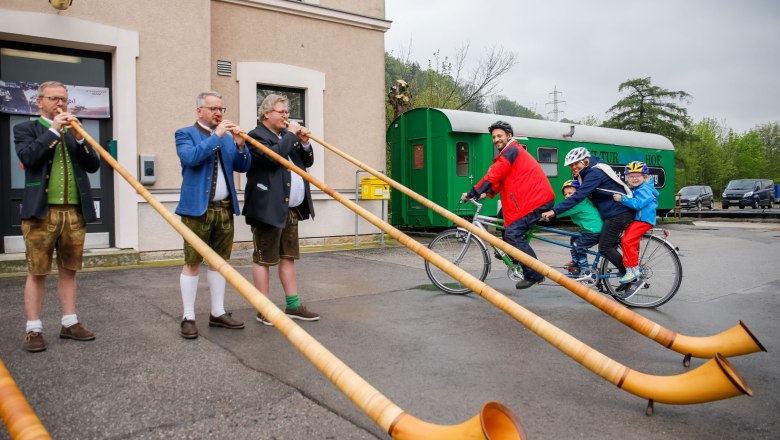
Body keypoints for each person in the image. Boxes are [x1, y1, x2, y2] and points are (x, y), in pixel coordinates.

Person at [13, 81, 100, 352]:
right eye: (54, 99)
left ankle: (69, 322)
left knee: (69, 270)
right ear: (39, 102)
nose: (61, 104)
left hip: (74, 211)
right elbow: (29, 157)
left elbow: (93, 165)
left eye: (64, 99)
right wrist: (54, 130)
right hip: (41, 212)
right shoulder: (25, 129)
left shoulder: (75, 130)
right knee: (37, 271)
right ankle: (34, 328)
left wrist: (81, 138)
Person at [175, 91, 251, 339]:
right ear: (199, 111)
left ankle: (217, 312)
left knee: (220, 263)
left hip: (224, 208)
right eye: (213, 109)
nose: (219, 113)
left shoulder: (227, 137)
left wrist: (240, 144)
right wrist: (216, 137)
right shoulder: (185, 133)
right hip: (197, 209)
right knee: (193, 262)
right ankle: (188, 316)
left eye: (221, 109)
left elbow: (242, 166)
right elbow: (190, 158)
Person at [243, 94, 320, 325]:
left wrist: (305, 142)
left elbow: (306, 162)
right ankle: (264, 309)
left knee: (288, 257)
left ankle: (293, 305)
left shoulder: (287, 137)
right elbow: (273, 158)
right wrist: (290, 135)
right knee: (263, 259)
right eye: (282, 112)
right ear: (266, 114)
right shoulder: (256, 136)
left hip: (291, 208)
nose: (287, 116)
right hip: (267, 207)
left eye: (288, 112)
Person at [461, 121, 555, 289]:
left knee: (513, 234)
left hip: (536, 200)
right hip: (526, 199)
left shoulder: (511, 150)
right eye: (494, 137)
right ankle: (513, 254)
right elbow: (500, 180)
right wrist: (485, 193)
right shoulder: (510, 152)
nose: (496, 139)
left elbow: (494, 174)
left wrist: (473, 192)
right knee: (502, 219)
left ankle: (534, 273)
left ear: (509, 136)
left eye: (499, 136)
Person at [541, 147, 638, 292]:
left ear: (585, 161)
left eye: (576, 164)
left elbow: (579, 196)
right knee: (581, 241)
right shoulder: (588, 171)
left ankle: (630, 277)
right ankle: (583, 267)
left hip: (619, 213)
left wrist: (555, 211)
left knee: (605, 246)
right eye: (571, 165)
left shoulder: (594, 173)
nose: (573, 168)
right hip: (612, 213)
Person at [613, 161, 659, 298]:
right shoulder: (639, 188)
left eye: (637, 176)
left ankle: (633, 269)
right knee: (631, 243)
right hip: (640, 219)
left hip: (643, 220)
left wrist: (622, 199)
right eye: (631, 176)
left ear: (644, 177)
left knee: (626, 240)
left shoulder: (645, 189)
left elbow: (638, 204)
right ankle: (633, 268)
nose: (634, 178)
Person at [555, 180, 603, 277]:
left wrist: (546, 214)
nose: (567, 196)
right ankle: (576, 262)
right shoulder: (581, 201)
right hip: (588, 230)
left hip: (594, 231)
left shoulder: (578, 203)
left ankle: (584, 270)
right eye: (565, 194)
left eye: (570, 193)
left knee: (578, 246)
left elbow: (561, 211)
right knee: (574, 238)